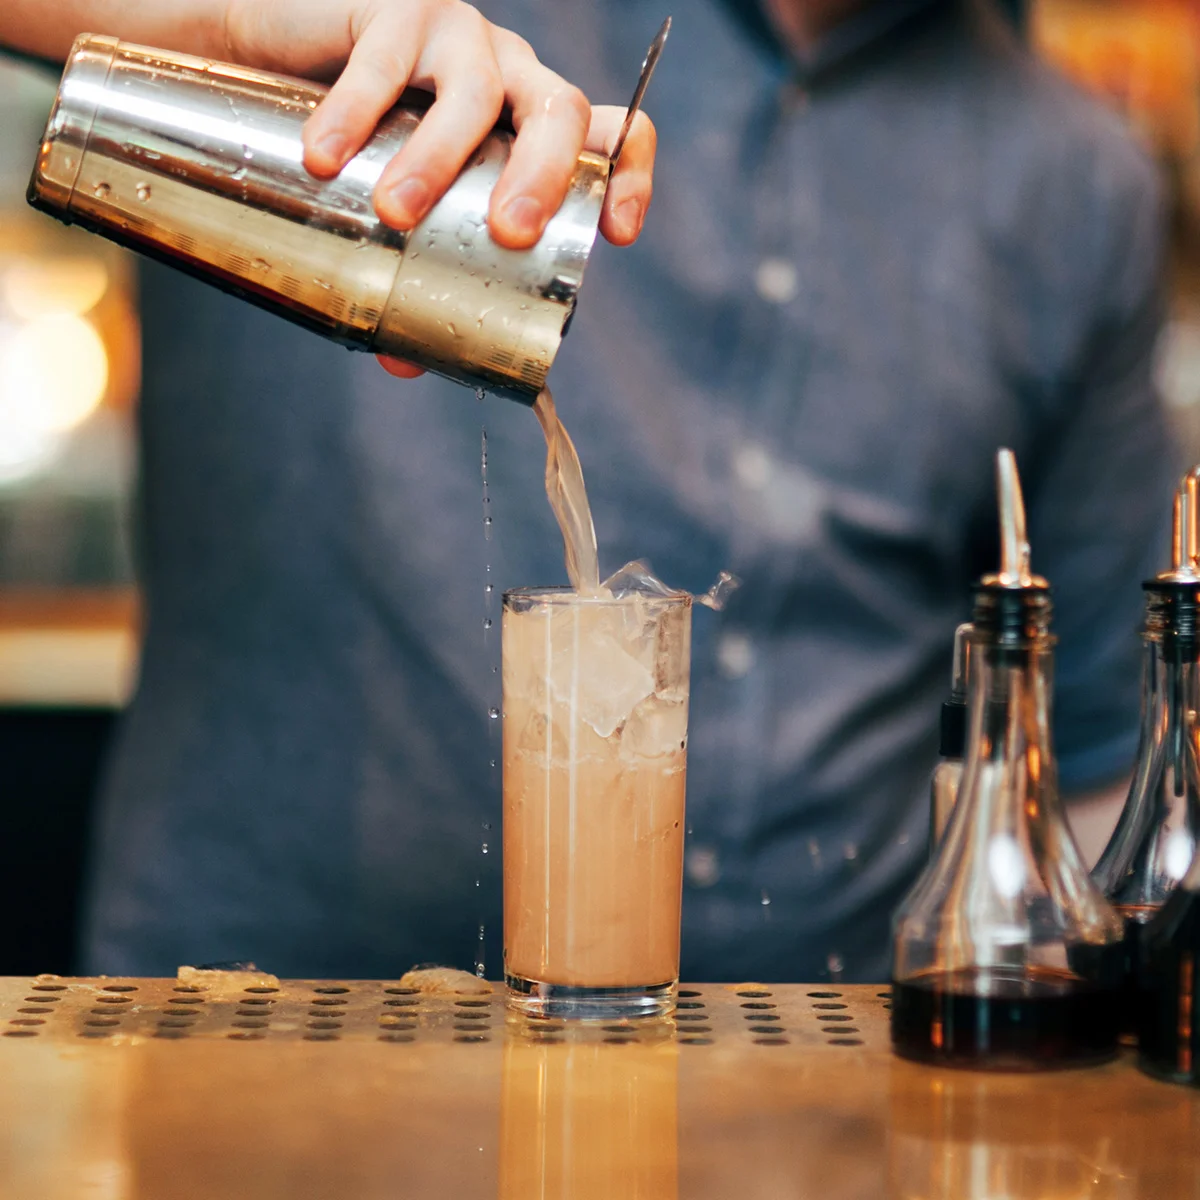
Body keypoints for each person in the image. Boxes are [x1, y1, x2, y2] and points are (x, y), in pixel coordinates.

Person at [1, 0, 1177, 983]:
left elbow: (1085, 776)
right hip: (262, 1055)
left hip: (810, 1107)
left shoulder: (1078, 180)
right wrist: (225, 20)